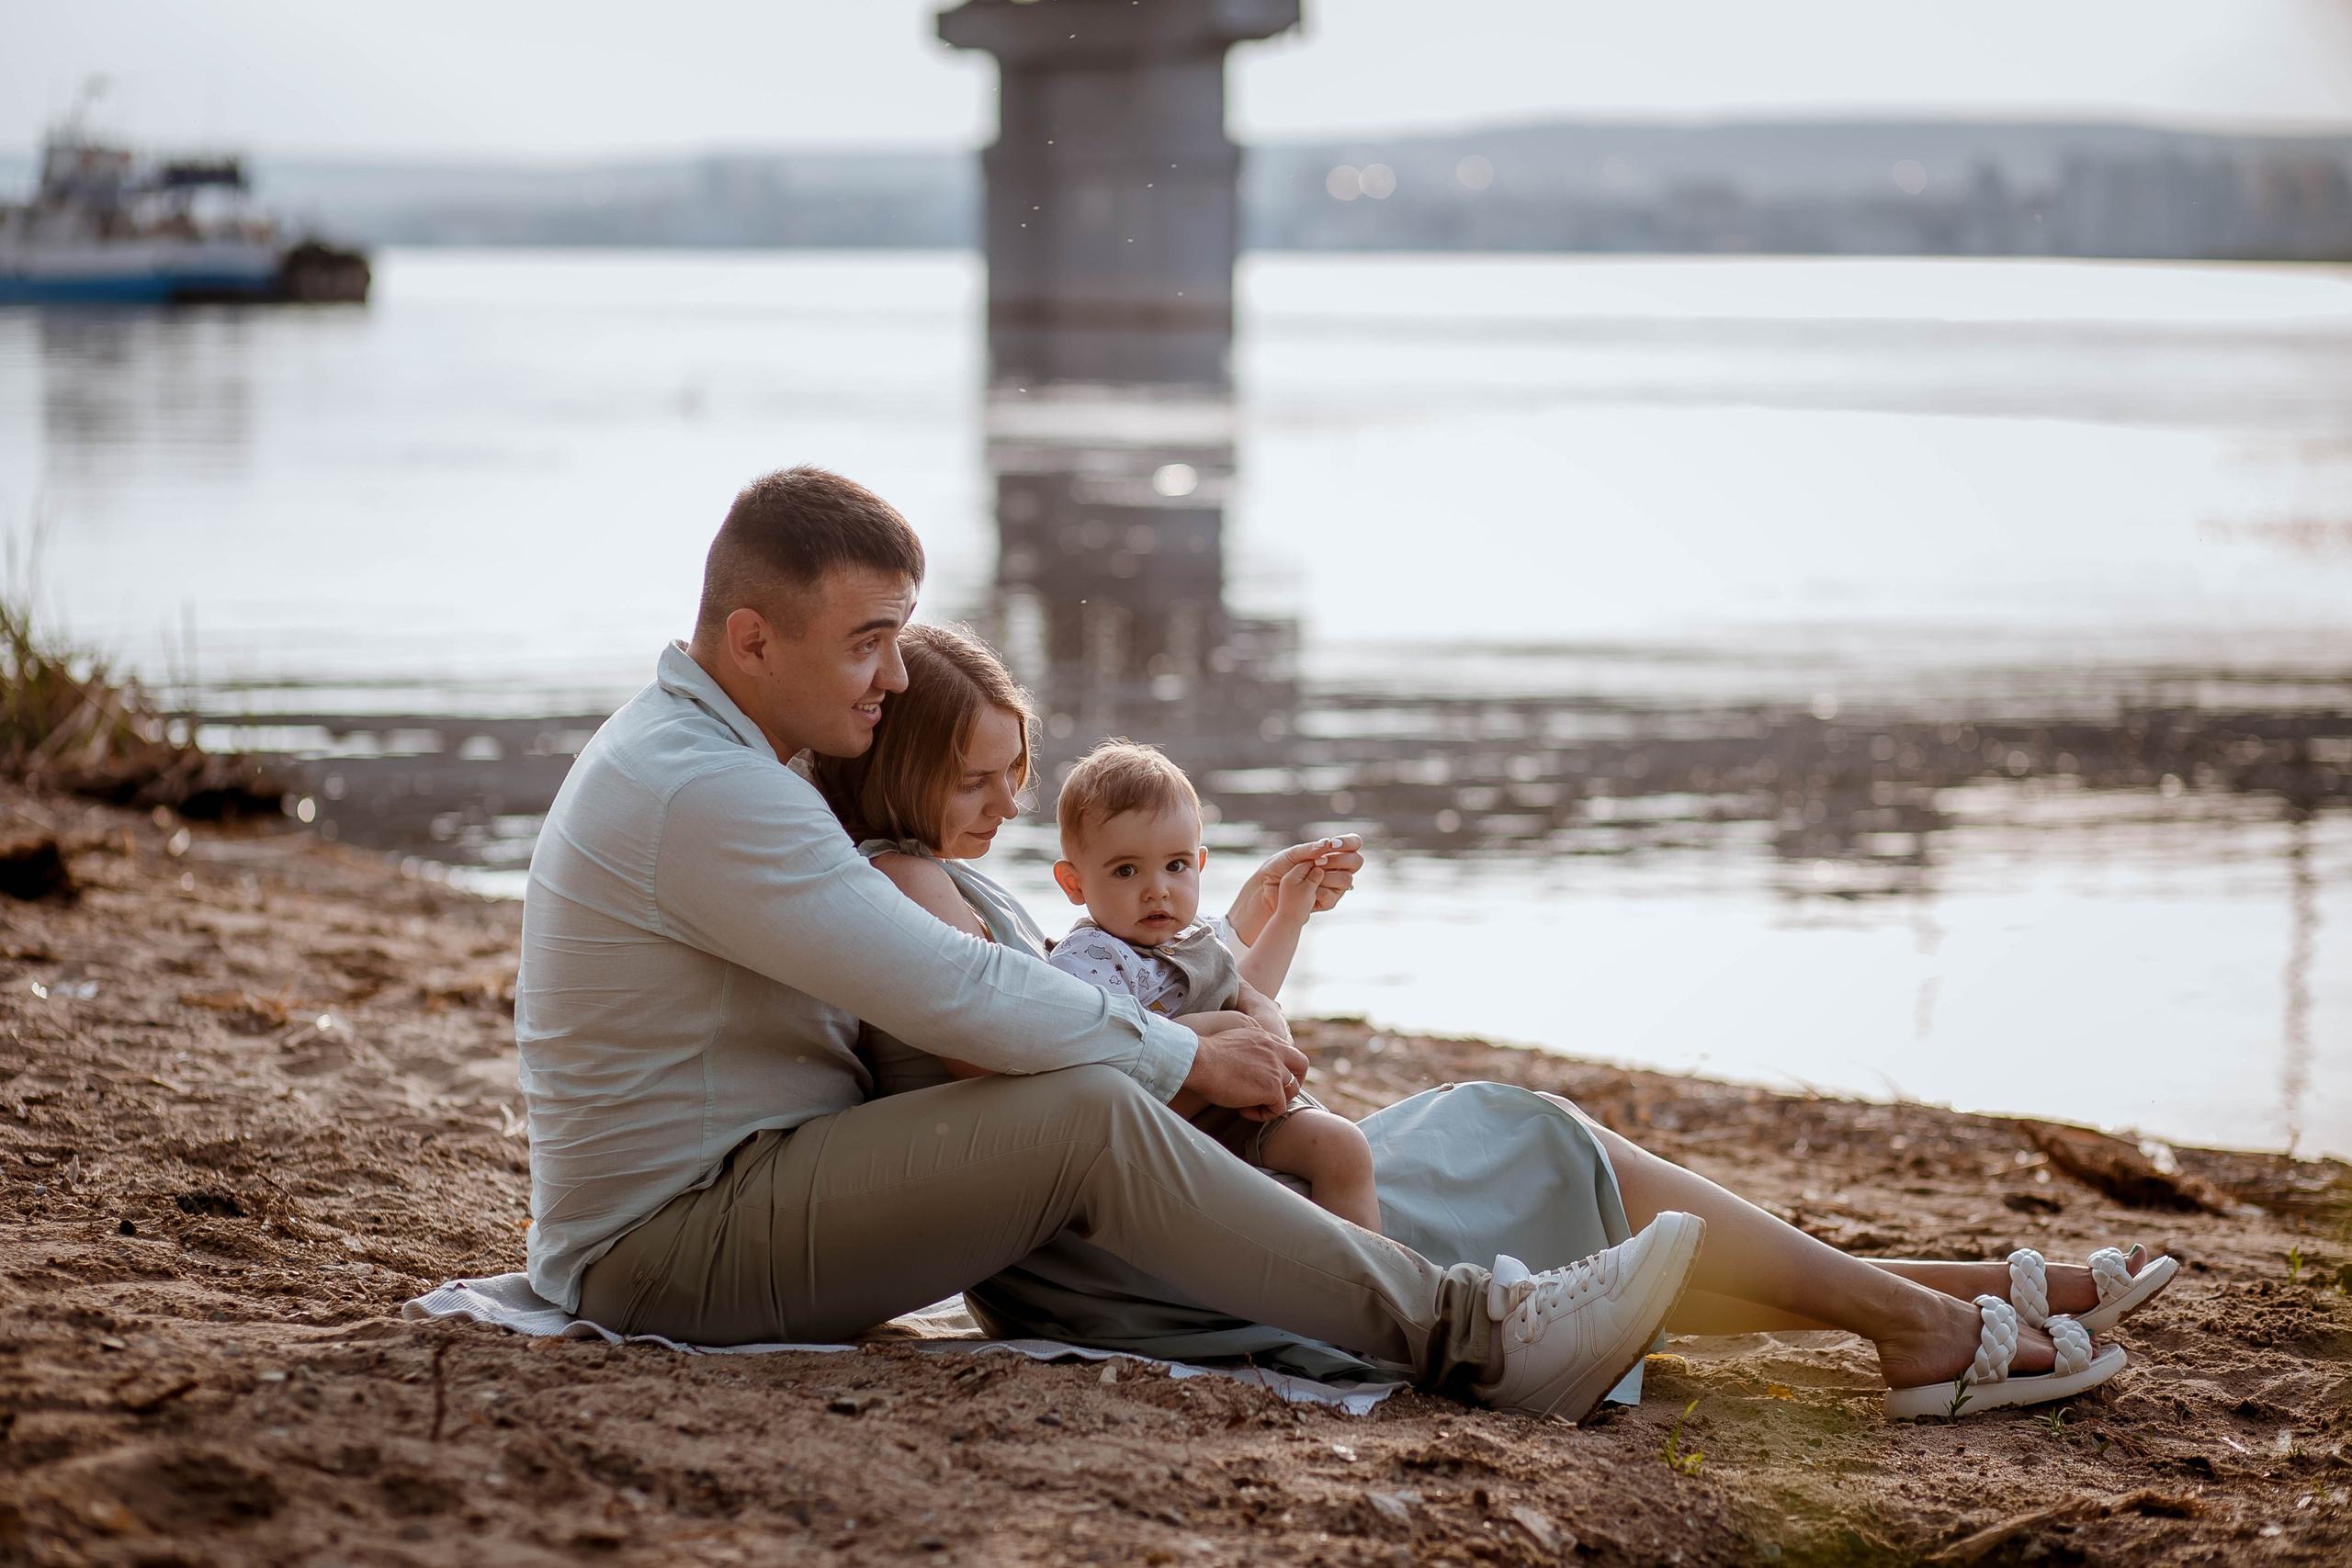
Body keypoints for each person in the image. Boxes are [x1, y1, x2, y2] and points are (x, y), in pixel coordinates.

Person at [519, 464, 1712, 1425]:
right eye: (867, 643)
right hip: (672, 1249)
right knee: (1086, 1115)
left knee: (1103, 1104)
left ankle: (1515, 1306)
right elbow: (952, 990)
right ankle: (1478, 1334)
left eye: (902, 638)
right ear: (752, 641)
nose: (893, 675)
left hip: (729, 1201)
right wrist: (1181, 1057)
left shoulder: (712, 758)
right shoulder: (709, 792)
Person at [811, 597, 2172, 1418]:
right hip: (1141, 1247)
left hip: (1168, 1195)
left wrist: (1244, 978)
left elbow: (1081, 1034)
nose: (1006, 801)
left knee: (1519, 1144)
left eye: (1016, 771)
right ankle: (1924, 1324)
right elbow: (1047, 1068)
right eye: (985, 776)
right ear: (914, 766)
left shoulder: (935, 882)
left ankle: (1938, 1297)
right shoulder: (908, 890)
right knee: (1519, 1146)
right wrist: (1201, 1048)